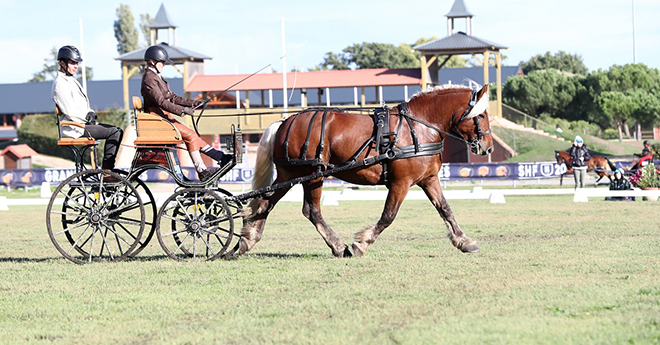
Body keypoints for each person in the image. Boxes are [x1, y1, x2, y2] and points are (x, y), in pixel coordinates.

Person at [140, 45, 232, 181]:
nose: (164, 65)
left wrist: (192, 103)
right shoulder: (149, 78)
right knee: (190, 135)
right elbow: (161, 101)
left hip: (163, 116)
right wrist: (182, 110)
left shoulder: (157, 77)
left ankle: (220, 157)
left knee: (192, 134)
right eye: (162, 62)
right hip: (157, 117)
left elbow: (172, 97)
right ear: (153, 62)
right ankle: (202, 171)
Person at [52, 45, 124, 175]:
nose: (76, 66)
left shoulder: (70, 80)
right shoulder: (60, 84)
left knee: (116, 130)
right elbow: (70, 111)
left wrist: (90, 112)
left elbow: (82, 105)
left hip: (80, 124)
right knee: (114, 132)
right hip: (74, 128)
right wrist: (87, 117)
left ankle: (107, 170)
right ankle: (107, 172)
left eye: (76, 63)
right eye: (72, 63)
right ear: (62, 63)